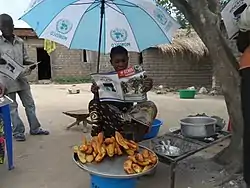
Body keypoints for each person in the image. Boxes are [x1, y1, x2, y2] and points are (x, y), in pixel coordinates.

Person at [88, 45, 157, 142]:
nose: (121, 64)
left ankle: (136, 141)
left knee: (150, 106)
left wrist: (145, 88)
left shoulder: (135, 76)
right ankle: (98, 136)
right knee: (93, 104)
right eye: (117, 62)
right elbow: (98, 103)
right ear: (111, 62)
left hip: (128, 114)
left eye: (123, 61)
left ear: (128, 59)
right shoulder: (105, 78)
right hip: (111, 114)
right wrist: (95, 92)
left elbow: (141, 103)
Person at [0, 14, 49, 141]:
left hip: (21, 78)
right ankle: (18, 132)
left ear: (13, 27)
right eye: (2, 26)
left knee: (30, 104)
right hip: (6, 81)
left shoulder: (20, 42)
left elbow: (25, 59)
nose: (5, 29)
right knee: (12, 108)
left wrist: (31, 63)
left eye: (7, 26)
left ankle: (35, 128)